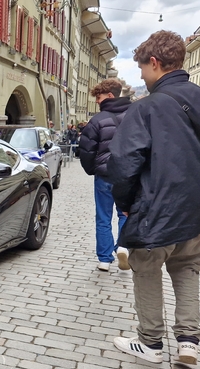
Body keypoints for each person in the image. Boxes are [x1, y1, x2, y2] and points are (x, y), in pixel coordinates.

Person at [108, 30, 200, 365]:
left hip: (155, 209)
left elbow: (123, 164)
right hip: (196, 211)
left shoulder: (146, 108)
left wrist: (125, 205)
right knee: (187, 269)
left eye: (141, 68)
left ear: (154, 63)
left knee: (147, 268)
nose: (141, 75)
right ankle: (188, 342)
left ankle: (150, 343)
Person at [77, 78, 131, 272]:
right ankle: (124, 246)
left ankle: (104, 259)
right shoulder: (134, 116)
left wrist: (92, 169)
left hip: (105, 176)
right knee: (126, 214)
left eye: (99, 98)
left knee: (103, 217)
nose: (97, 102)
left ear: (110, 96)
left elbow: (86, 150)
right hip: (127, 176)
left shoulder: (97, 120)